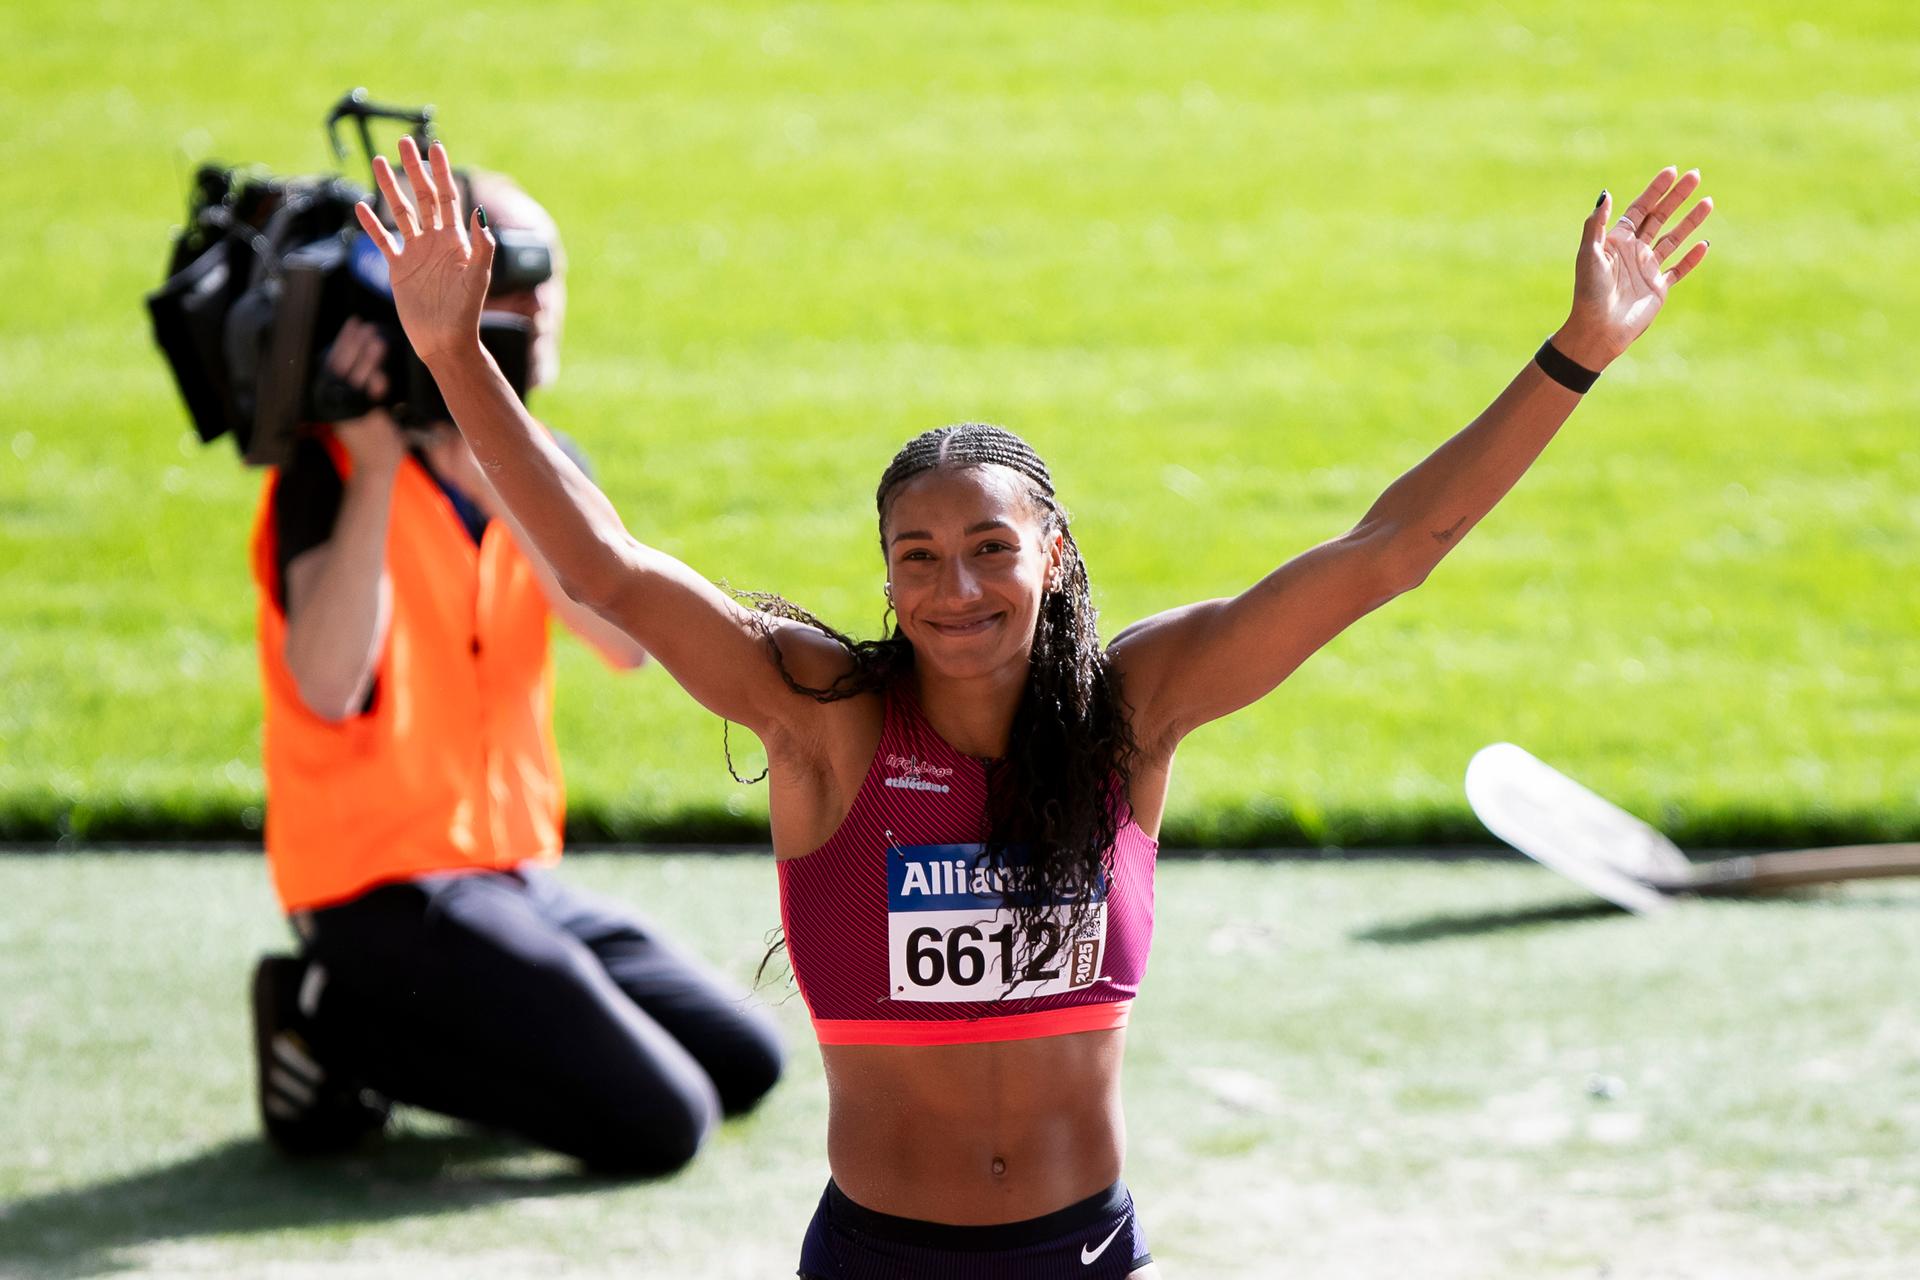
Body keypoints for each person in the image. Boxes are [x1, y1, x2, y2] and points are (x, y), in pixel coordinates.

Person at [358, 136, 1711, 1273]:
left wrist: (1578, 353)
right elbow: (605, 571)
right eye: (918, 558)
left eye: (991, 549)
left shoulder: (1134, 711)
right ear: (885, 575)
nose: (957, 588)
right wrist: (453, 353)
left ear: (1052, 552)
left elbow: (1387, 554)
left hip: (1084, 1253)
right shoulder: (826, 718)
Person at [248, 168, 785, 1174]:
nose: (537, 307)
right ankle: (333, 1025)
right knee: (661, 1120)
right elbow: (326, 684)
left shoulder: (537, 458)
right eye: (511, 278)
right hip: (374, 884)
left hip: (508, 872)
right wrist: (374, 469)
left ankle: (428, 1033)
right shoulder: (327, 466)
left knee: (745, 1059)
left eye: (549, 277)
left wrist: (497, 478)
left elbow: (624, 641)